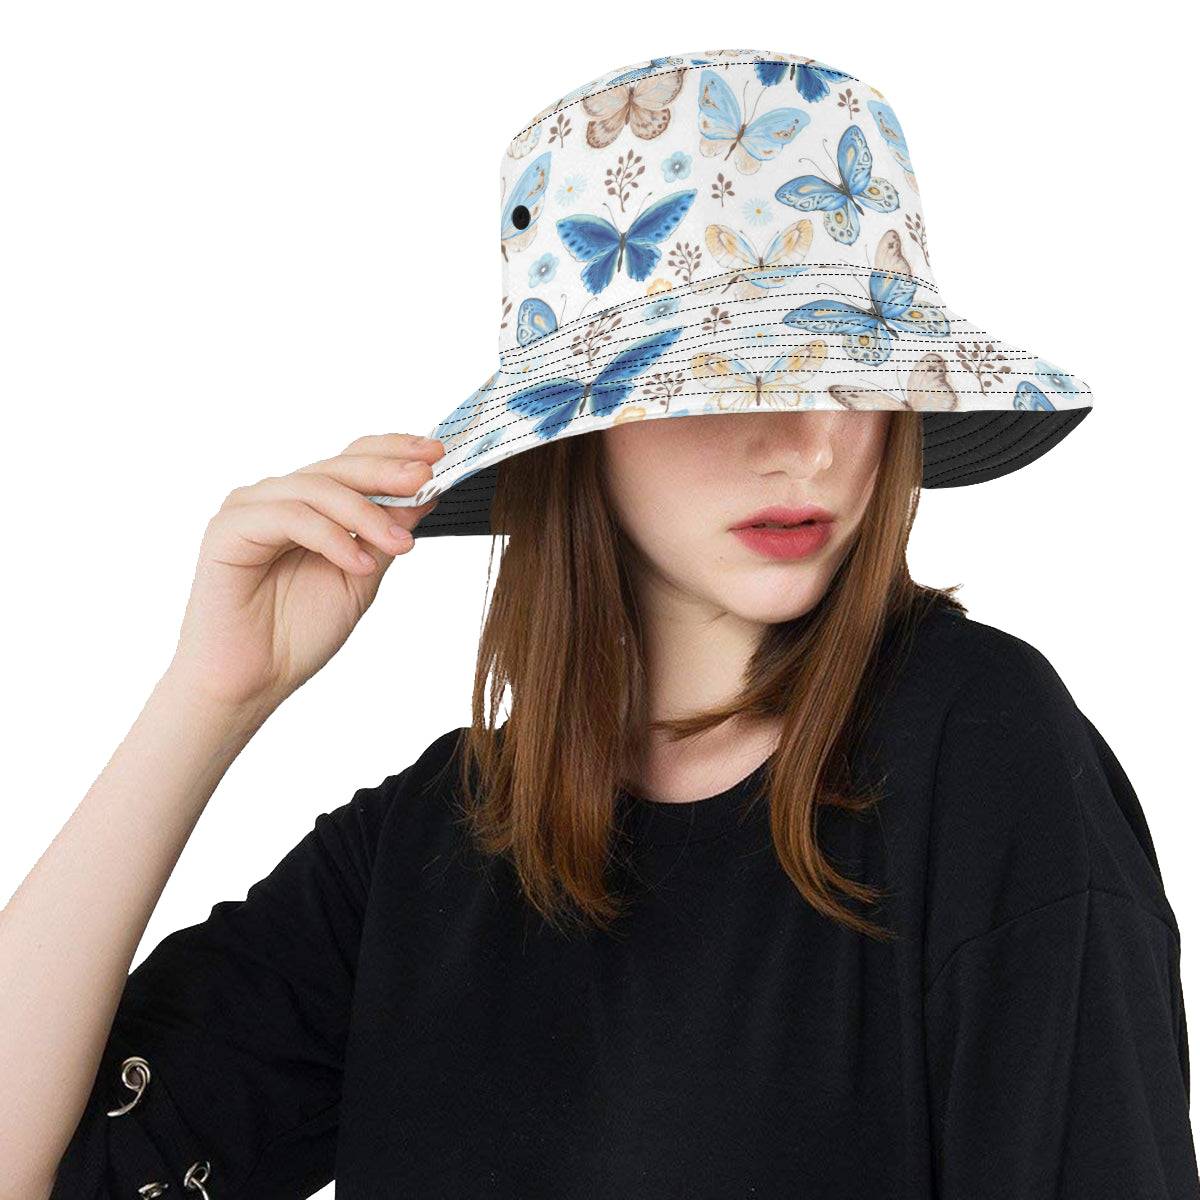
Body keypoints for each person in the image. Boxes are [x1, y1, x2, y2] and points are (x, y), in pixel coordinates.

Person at [5, 45, 1197, 1200]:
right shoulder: (435, 847)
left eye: (851, 371)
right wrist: (209, 698)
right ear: (579, 431)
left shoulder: (981, 751)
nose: (811, 440)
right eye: (727, 376)